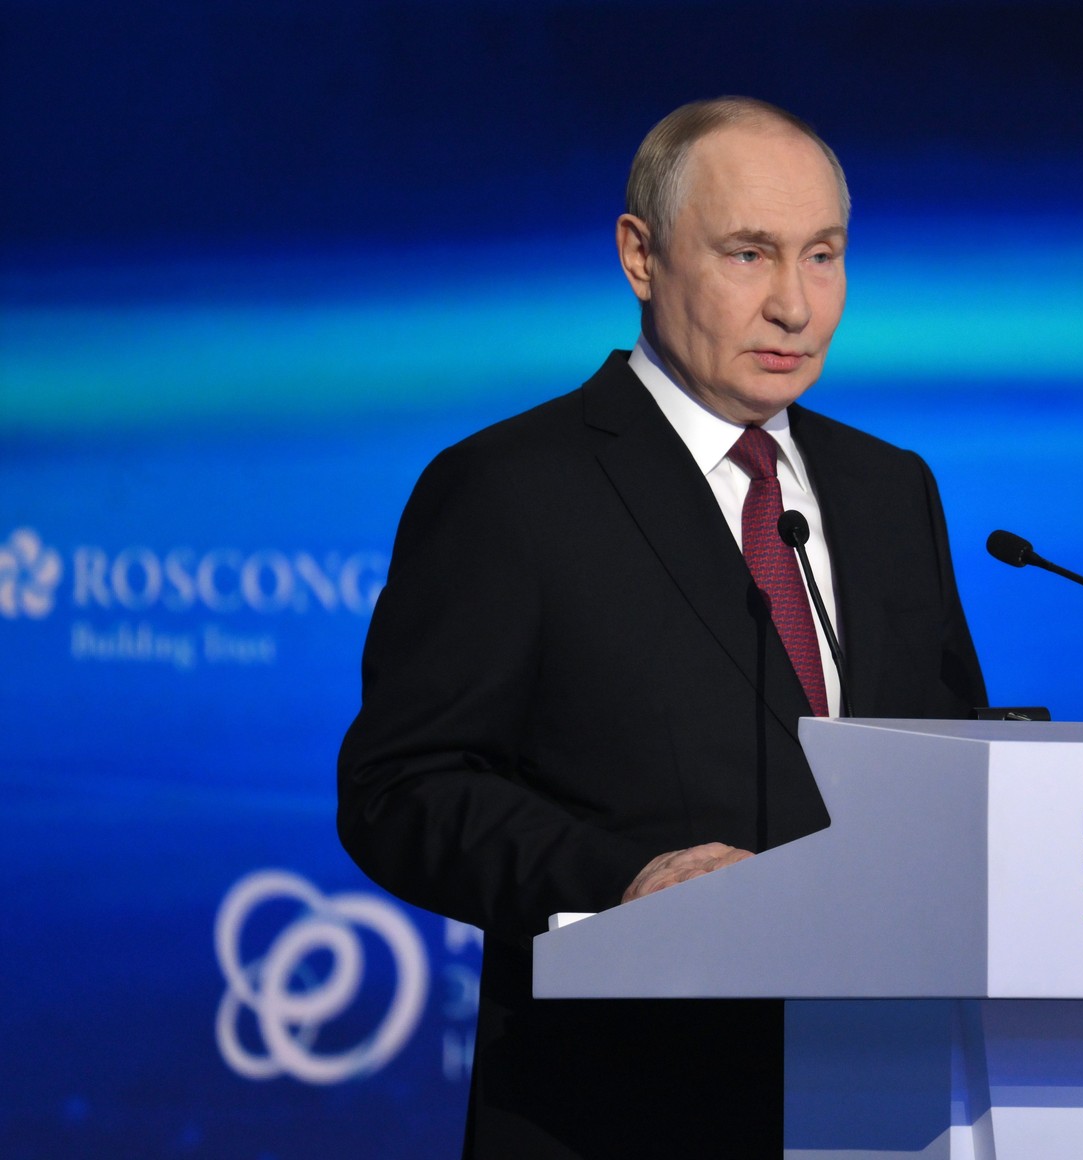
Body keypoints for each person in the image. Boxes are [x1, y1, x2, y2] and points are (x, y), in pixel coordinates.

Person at [337, 96, 986, 1158]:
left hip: (883, 1104)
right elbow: (402, 787)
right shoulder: (511, 489)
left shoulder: (888, 489)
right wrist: (624, 880)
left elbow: (943, 766)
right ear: (640, 256)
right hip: (620, 1108)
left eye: (823, 257)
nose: (795, 305)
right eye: (749, 254)